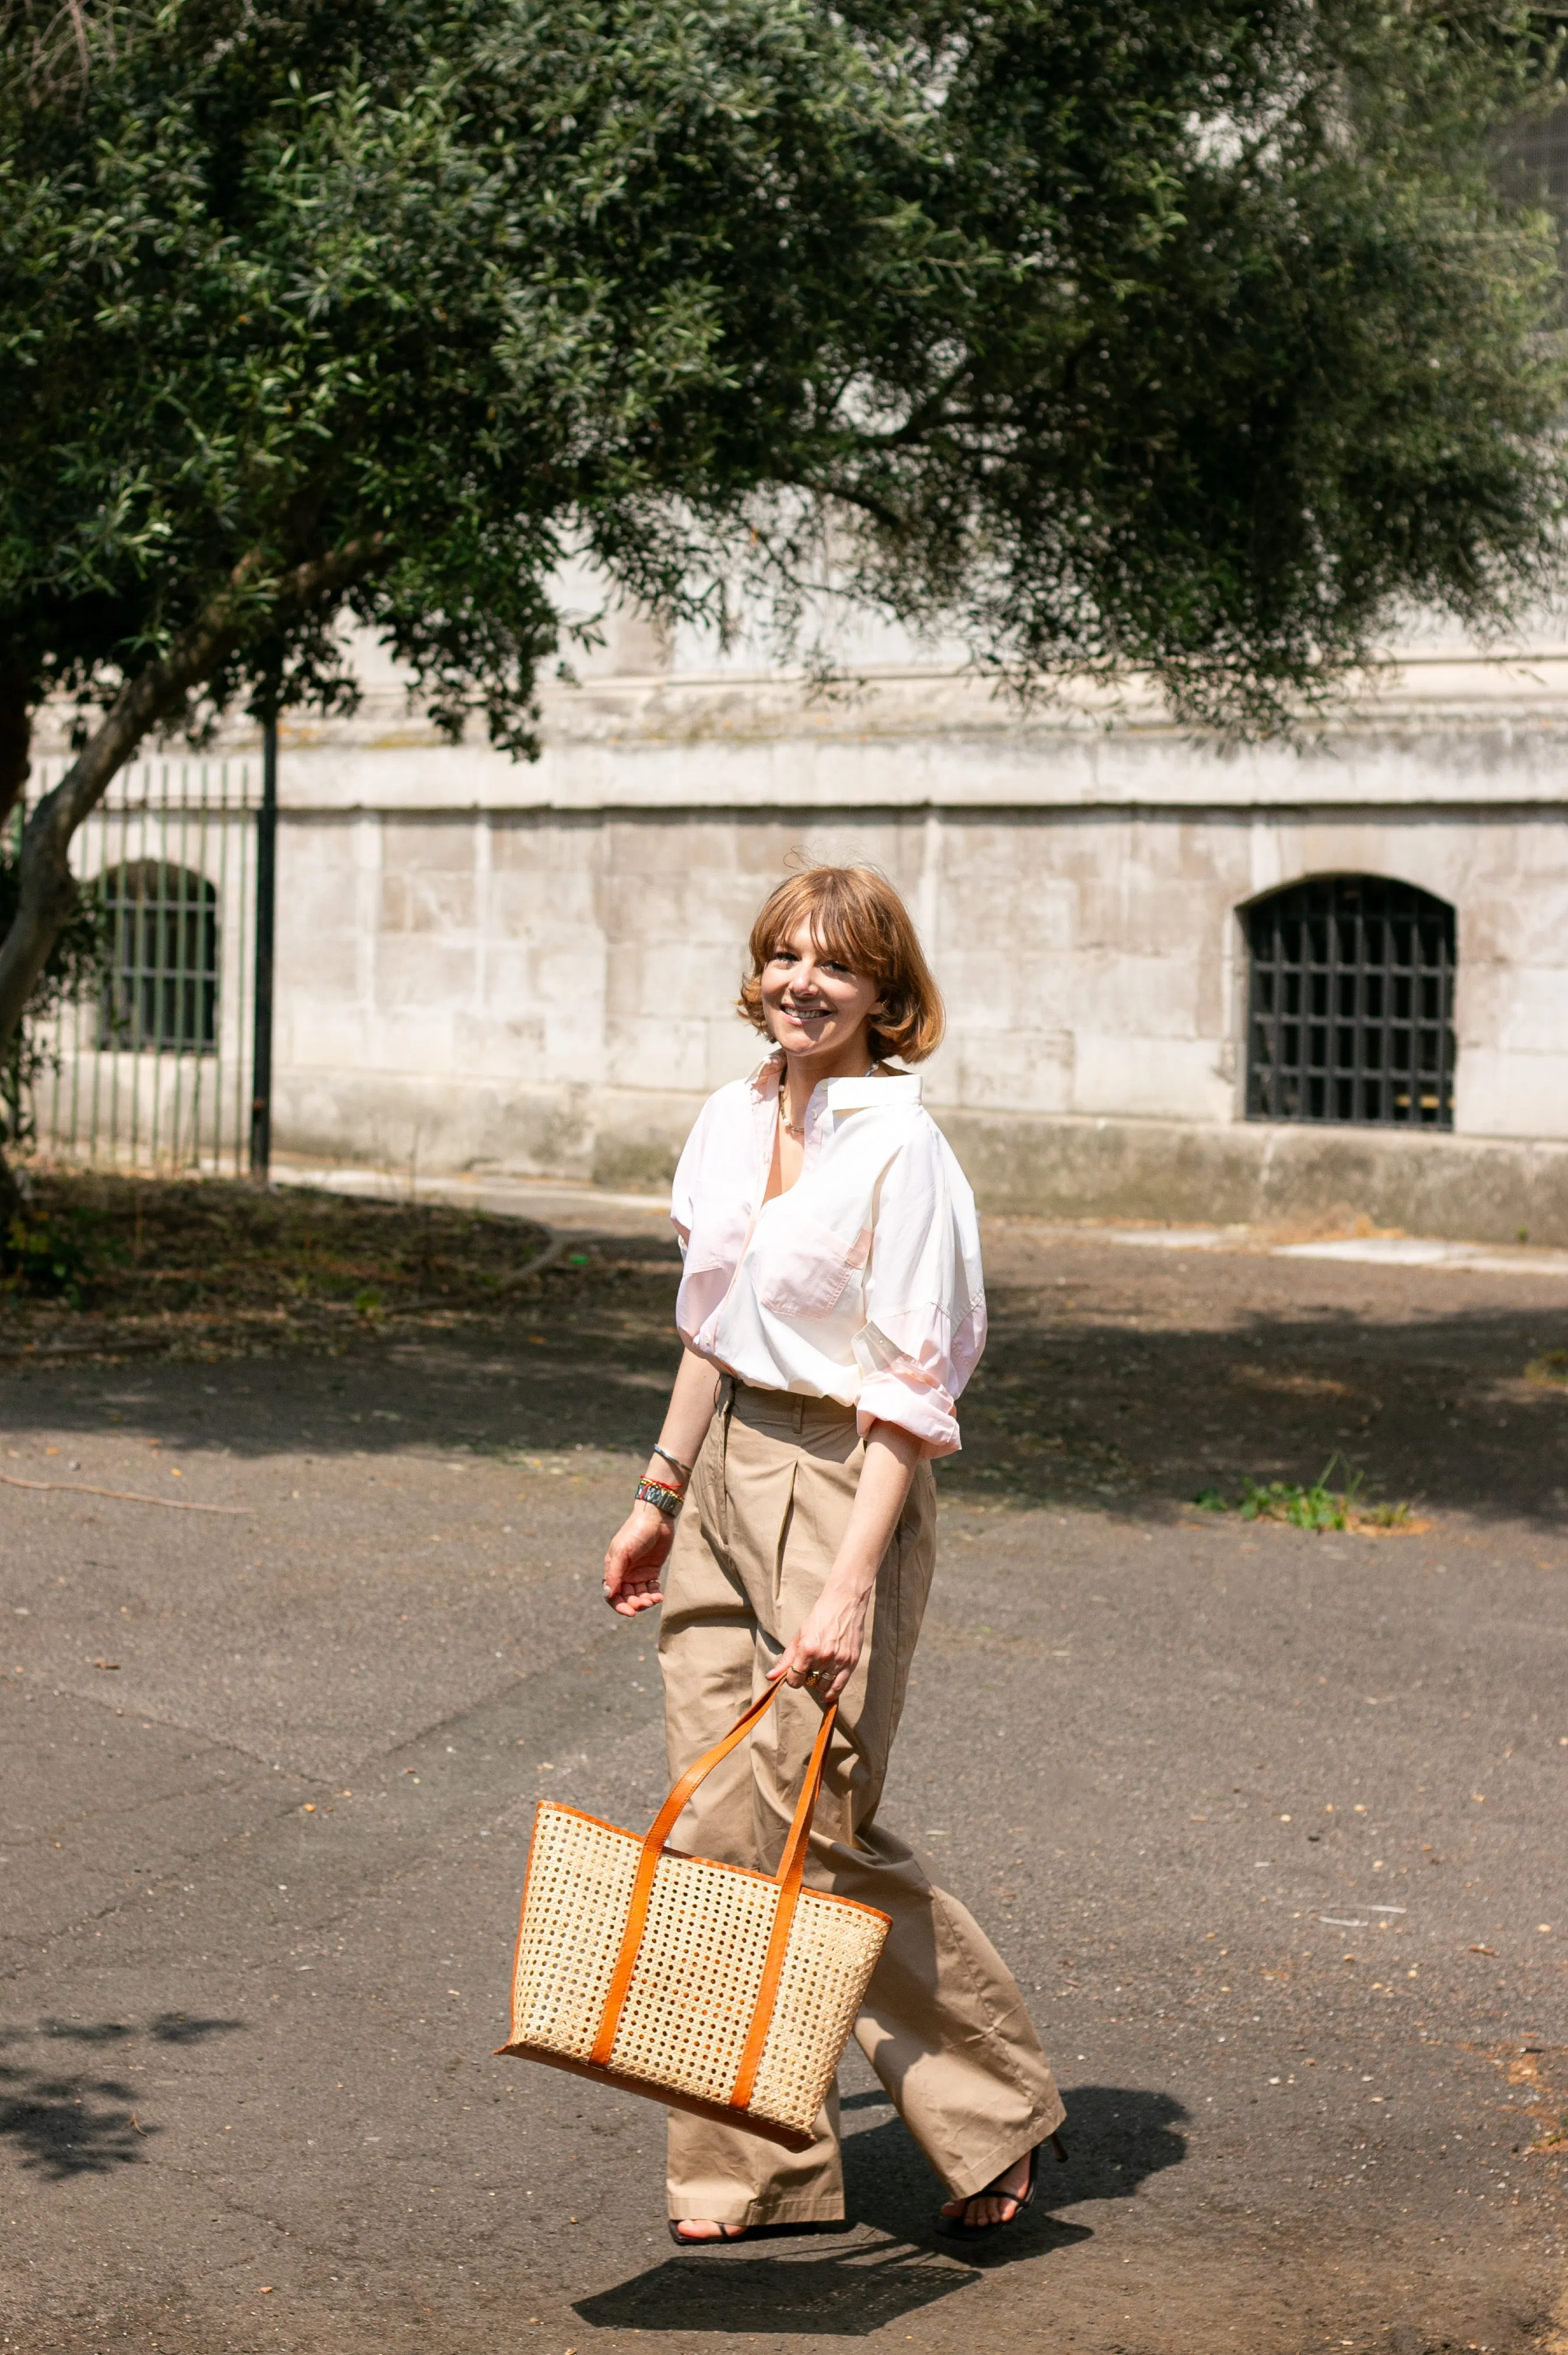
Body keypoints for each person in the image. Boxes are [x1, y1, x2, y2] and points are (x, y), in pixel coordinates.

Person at [600, 864, 1066, 2246]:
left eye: (836, 965)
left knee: (814, 1826)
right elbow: (712, 1323)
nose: (801, 981)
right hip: (728, 1461)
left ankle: (990, 2108)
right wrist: (658, 1489)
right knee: (708, 1827)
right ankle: (751, 2167)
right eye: (782, 955)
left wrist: (851, 1582)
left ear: (884, 996)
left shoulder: (900, 1149)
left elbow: (914, 1391)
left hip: (843, 1477)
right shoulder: (729, 1118)